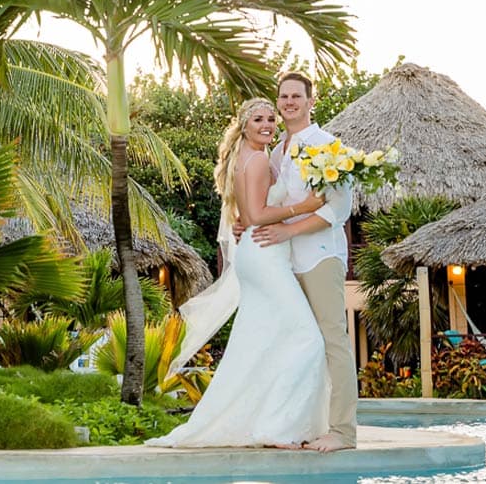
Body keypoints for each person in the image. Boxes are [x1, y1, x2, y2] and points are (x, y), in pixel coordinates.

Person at [144, 98, 330, 448]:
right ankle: (277, 427)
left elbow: (246, 215)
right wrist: (303, 207)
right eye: (258, 119)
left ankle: (265, 422)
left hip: (257, 254)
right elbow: (258, 216)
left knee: (262, 341)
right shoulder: (258, 159)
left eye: (271, 119)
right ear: (243, 124)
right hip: (264, 255)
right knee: (308, 339)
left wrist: (255, 218)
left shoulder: (244, 157)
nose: (267, 125)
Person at [250, 72, 357, 452]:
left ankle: (343, 431)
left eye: (297, 95)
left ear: (312, 101)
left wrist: (289, 231)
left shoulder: (329, 146)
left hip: (321, 258)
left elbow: (339, 209)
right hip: (285, 263)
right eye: (284, 96)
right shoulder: (277, 150)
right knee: (299, 344)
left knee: (333, 342)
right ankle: (301, 425)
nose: (289, 102)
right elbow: (274, 204)